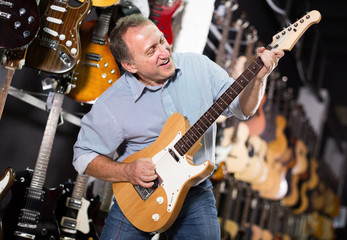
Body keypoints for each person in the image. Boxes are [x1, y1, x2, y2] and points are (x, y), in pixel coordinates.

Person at [73, 14, 284, 240]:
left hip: (194, 192)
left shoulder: (199, 66)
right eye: (151, 51)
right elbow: (83, 156)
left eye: (162, 41)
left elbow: (242, 109)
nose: (164, 53)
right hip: (138, 196)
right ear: (129, 65)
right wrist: (127, 171)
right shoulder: (113, 103)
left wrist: (259, 79)